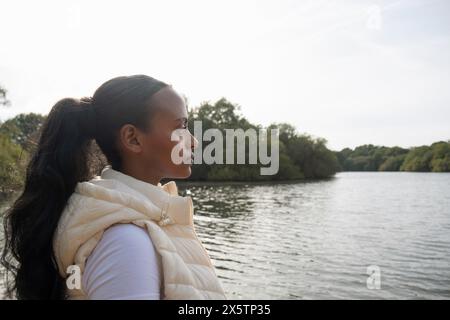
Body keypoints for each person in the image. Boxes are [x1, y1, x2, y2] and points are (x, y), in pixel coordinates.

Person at [1, 75, 227, 300]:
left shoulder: (140, 219)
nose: (193, 141)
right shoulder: (126, 242)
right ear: (132, 139)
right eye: (181, 127)